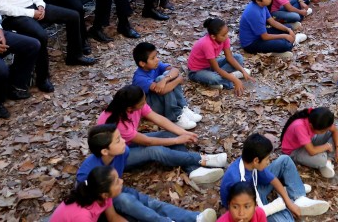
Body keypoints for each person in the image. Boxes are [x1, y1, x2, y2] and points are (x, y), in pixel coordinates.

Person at [77, 124, 217, 222]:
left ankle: (194, 218)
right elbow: (93, 205)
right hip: (103, 202)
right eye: (118, 140)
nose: (124, 141)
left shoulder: (122, 152)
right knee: (126, 201)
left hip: (115, 188)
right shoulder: (87, 175)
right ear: (105, 151)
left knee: (150, 203)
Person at [97, 85, 226, 184]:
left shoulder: (133, 105)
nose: (144, 104)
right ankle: (203, 159)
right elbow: (148, 142)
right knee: (154, 151)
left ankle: (193, 170)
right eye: (142, 103)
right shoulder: (117, 122)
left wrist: (182, 133)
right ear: (130, 108)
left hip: (128, 143)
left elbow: (158, 119)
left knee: (168, 135)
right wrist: (177, 140)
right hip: (117, 157)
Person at [220, 133, 330, 221]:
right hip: (245, 204)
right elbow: (247, 212)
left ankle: (298, 197)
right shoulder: (238, 181)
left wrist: (288, 203)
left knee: (284, 160)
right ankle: (291, 190)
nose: (269, 162)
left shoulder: (249, 163)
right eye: (267, 159)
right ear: (256, 160)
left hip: (254, 188)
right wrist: (278, 205)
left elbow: (273, 180)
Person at [132, 41, 201, 129]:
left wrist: (166, 79)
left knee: (167, 75)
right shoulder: (139, 78)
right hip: (151, 107)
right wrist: (178, 79)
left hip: (161, 100)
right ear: (142, 63)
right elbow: (162, 91)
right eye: (153, 58)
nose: (157, 59)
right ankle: (175, 117)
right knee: (161, 79)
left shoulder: (154, 65)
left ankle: (182, 108)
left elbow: (174, 70)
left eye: (156, 56)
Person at [239, 0, 307, 59]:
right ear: (258, 0)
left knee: (288, 28)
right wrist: (285, 36)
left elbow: (272, 22)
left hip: (259, 35)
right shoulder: (255, 13)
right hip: (251, 43)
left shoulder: (262, 5)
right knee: (285, 45)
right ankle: (277, 50)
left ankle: (283, 44)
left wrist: (288, 30)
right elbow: (265, 37)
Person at [188, 17, 252, 94]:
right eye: (223, 35)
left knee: (239, 58)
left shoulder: (224, 39)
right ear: (213, 37)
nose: (227, 36)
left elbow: (229, 58)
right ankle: (229, 78)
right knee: (214, 78)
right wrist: (235, 80)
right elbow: (217, 68)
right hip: (197, 71)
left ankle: (224, 80)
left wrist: (243, 71)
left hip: (211, 65)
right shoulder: (206, 44)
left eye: (227, 33)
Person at [280, 107, 338, 179]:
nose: (325, 132)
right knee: (321, 160)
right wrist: (327, 146)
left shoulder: (317, 118)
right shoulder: (299, 127)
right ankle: (327, 158)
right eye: (323, 131)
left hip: (309, 141)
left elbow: (335, 130)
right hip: (295, 151)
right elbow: (312, 151)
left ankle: (328, 161)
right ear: (311, 126)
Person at [50, 165, 125, 222]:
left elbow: (113, 217)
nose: (121, 181)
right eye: (117, 182)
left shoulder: (102, 194)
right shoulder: (83, 215)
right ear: (105, 195)